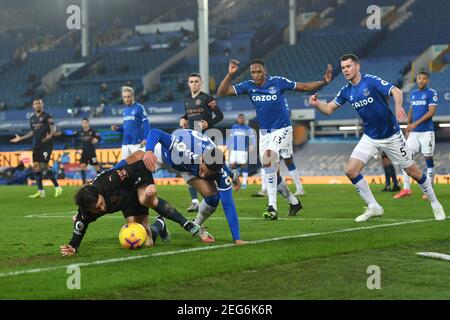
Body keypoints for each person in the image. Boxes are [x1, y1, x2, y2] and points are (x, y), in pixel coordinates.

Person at [308, 54, 445, 222]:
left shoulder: (370, 81)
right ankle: (374, 207)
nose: (345, 70)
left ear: (357, 66)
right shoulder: (346, 91)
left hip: (392, 136)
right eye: (343, 68)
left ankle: (435, 203)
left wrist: (398, 105)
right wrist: (317, 104)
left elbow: (396, 90)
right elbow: (329, 109)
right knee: (350, 170)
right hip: (370, 136)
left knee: (413, 172)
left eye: (348, 66)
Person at [217, 59, 331, 218]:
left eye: (258, 71)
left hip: (283, 129)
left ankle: (272, 207)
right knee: (272, 172)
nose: (256, 75)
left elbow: (303, 87)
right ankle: (294, 202)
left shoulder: (278, 82)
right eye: (253, 72)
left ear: (265, 72)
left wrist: (322, 82)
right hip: (265, 133)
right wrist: (230, 74)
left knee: (267, 160)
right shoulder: (249, 86)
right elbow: (222, 92)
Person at [120, 128, 247, 244]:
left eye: (207, 174)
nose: (202, 175)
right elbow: (155, 132)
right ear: (202, 158)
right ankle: (103, 177)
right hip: (166, 156)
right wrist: (149, 151)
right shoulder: (183, 147)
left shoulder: (220, 173)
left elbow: (228, 204)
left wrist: (237, 239)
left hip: (187, 169)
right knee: (134, 158)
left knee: (213, 197)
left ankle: (196, 225)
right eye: (203, 170)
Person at [60, 160, 213, 256]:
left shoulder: (110, 181)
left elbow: (140, 165)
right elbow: (79, 229)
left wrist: (150, 183)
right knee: (145, 243)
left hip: (133, 193)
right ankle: (160, 224)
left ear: (99, 193)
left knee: (146, 200)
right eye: (97, 209)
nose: (102, 208)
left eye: (101, 203)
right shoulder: (85, 212)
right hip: (123, 203)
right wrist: (73, 247)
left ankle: (185, 223)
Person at [179, 73, 224, 212]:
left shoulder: (207, 98)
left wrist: (207, 124)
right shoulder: (186, 100)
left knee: (213, 168)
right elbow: (189, 115)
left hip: (207, 138)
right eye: (191, 81)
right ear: (188, 84)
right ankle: (194, 201)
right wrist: (183, 118)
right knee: (190, 169)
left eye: (196, 81)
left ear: (201, 83)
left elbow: (220, 116)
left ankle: (226, 184)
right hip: (192, 140)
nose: (194, 84)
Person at [394, 71, 437, 200]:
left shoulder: (431, 93)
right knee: (405, 158)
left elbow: (430, 113)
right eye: (419, 78)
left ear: (427, 81)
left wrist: (414, 124)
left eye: (423, 79)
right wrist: (408, 127)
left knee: (428, 159)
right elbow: (411, 111)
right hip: (414, 133)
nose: (421, 81)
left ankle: (429, 190)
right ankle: (406, 188)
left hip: (426, 132)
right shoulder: (413, 94)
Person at [10, 98, 63, 198]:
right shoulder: (32, 118)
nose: (37, 105)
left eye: (39, 103)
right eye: (35, 104)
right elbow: (33, 132)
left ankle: (57, 187)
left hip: (46, 145)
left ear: (42, 105)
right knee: (35, 167)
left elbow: (53, 128)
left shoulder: (47, 116)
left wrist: (50, 135)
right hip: (36, 145)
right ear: (33, 106)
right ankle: (41, 191)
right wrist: (21, 138)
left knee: (44, 166)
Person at [111, 86, 150, 160]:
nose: (126, 99)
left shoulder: (139, 107)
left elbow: (146, 124)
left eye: (128, 97)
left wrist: (145, 138)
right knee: (124, 166)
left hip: (136, 143)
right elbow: (126, 128)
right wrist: (117, 129)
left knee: (139, 165)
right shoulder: (125, 110)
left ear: (132, 96)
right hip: (125, 143)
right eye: (124, 97)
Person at [227, 113, 257, 189]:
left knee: (244, 165)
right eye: (239, 118)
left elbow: (252, 138)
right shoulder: (234, 127)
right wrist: (228, 146)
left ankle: (244, 183)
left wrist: (252, 146)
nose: (241, 120)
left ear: (244, 119)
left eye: (242, 118)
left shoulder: (247, 128)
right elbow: (230, 138)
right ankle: (231, 181)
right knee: (231, 165)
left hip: (243, 150)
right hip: (234, 150)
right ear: (237, 119)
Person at [75, 118, 102, 184]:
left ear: (88, 123)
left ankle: (101, 181)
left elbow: (100, 138)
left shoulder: (93, 131)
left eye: (85, 122)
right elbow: (76, 140)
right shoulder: (80, 132)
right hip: (84, 153)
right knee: (82, 167)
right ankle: (83, 183)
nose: (84, 124)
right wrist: (77, 148)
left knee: (97, 167)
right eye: (83, 123)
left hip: (92, 152)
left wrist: (97, 140)